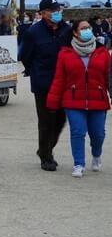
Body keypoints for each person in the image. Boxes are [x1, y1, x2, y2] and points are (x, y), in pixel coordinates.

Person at [46, 19, 111, 178]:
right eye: (83, 28)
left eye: (88, 27)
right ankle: (79, 164)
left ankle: (96, 155)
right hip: (73, 100)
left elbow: (109, 77)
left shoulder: (102, 52)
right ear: (75, 32)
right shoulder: (65, 53)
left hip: (98, 100)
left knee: (98, 134)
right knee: (78, 131)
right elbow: (59, 79)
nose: (87, 30)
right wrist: (52, 102)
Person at [19, 0, 71, 171]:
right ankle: (46, 157)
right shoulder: (33, 32)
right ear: (42, 13)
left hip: (64, 82)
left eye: (58, 10)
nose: (56, 13)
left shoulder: (66, 29)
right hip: (44, 82)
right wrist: (35, 71)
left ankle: (44, 149)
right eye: (52, 10)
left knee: (61, 119)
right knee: (46, 120)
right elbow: (25, 55)